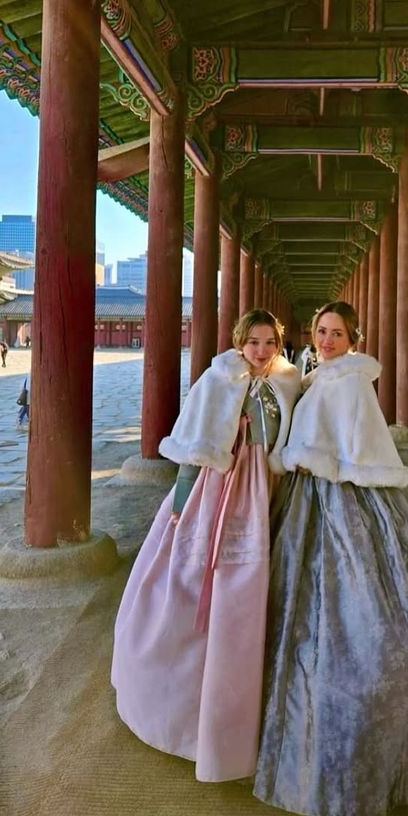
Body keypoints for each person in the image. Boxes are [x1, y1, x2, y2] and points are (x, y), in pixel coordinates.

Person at [253, 301, 408, 816]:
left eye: (337, 332)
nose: (328, 339)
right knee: (295, 608)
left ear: (353, 337)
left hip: (344, 496)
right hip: (307, 496)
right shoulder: (318, 377)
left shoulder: (351, 383)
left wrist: (320, 466)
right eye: (321, 331)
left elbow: (361, 448)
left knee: (359, 609)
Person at [112, 309, 300, 783]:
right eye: (253, 342)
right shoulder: (217, 379)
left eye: (269, 342)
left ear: (279, 344)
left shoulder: (288, 382)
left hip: (266, 489)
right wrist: (178, 505)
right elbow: (194, 448)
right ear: (240, 341)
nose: (261, 351)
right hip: (214, 491)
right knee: (197, 577)